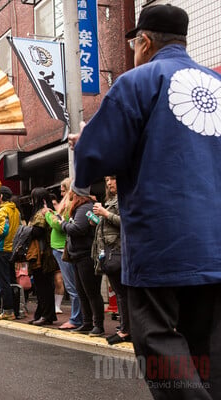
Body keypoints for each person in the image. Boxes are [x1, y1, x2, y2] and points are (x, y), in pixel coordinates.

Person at [72, 4, 221, 397]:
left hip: (162, 239)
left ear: (145, 41)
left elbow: (93, 159)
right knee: (206, 346)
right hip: (215, 242)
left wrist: (84, 163)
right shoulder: (216, 86)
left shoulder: (138, 81)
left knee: (157, 339)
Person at [59, 184, 103, 336]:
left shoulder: (84, 208)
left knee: (91, 292)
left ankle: (98, 325)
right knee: (82, 291)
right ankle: (87, 322)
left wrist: (63, 224)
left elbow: (78, 229)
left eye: (71, 190)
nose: (69, 193)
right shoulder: (81, 207)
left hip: (86, 256)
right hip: (79, 255)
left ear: (76, 194)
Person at [90, 176, 128, 345]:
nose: (109, 183)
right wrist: (97, 221)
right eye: (106, 180)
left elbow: (126, 222)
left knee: (123, 293)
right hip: (111, 251)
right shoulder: (111, 200)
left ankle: (126, 330)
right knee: (120, 293)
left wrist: (105, 213)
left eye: (113, 178)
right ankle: (125, 327)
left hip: (120, 251)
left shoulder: (126, 198)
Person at [44, 178, 83, 330]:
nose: (60, 193)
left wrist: (48, 215)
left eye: (62, 189)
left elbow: (59, 224)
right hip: (61, 248)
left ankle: (76, 318)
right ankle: (79, 318)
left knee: (72, 286)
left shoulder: (70, 205)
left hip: (63, 248)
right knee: (72, 285)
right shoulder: (67, 204)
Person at [26, 187, 58, 326]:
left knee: (44, 286)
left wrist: (26, 230)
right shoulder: (44, 212)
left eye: (33, 198)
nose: (31, 202)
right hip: (43, 253)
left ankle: (46, 315)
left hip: (43, 254)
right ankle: (42, 314)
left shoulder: (43, 213)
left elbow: (37, 231)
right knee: (41, 286)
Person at [0, 186, 20, 321]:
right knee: (12, 280)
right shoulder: (16, 211)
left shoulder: (2, 211)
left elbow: (4, 230)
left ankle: (7, 310)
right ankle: (16, 310)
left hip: (1, 249)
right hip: (12, 249)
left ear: (1, 197)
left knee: (3, 281)